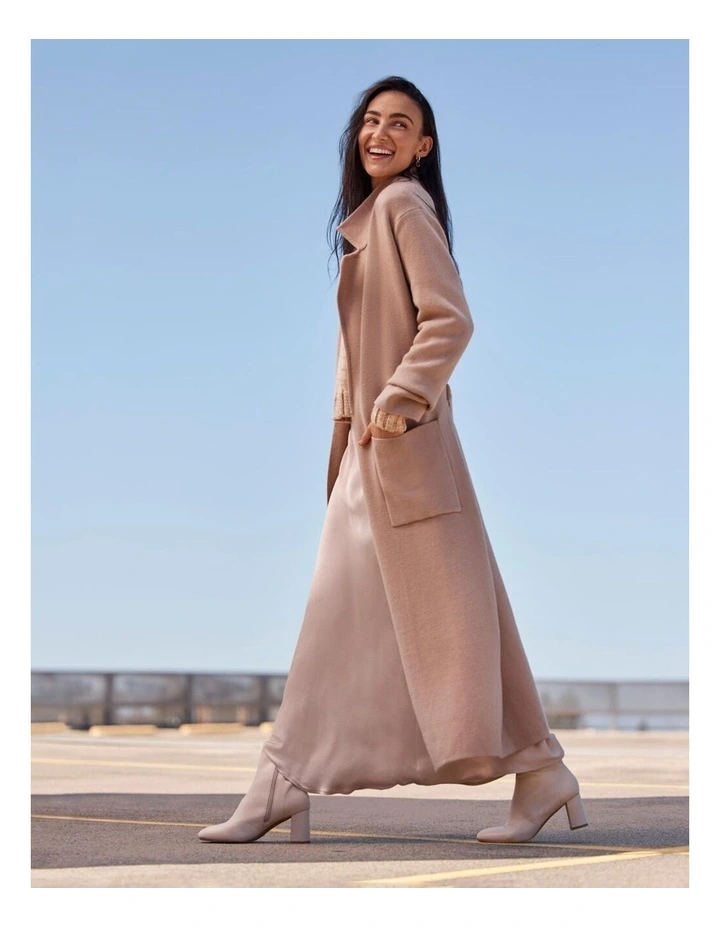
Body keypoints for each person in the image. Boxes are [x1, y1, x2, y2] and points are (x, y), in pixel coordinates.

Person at [198, 76, 589, 845]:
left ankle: (281, 781)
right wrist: (355, 432)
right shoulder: (372, 221)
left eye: (399, 124)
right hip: (379, 459)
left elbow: (450, 318)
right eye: (370, 121)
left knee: (369, 619)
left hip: (399, 449)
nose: (380, 134)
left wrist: (399, 399)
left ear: (423, 146)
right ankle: (542, 772)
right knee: (458, 619)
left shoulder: (404, 206)